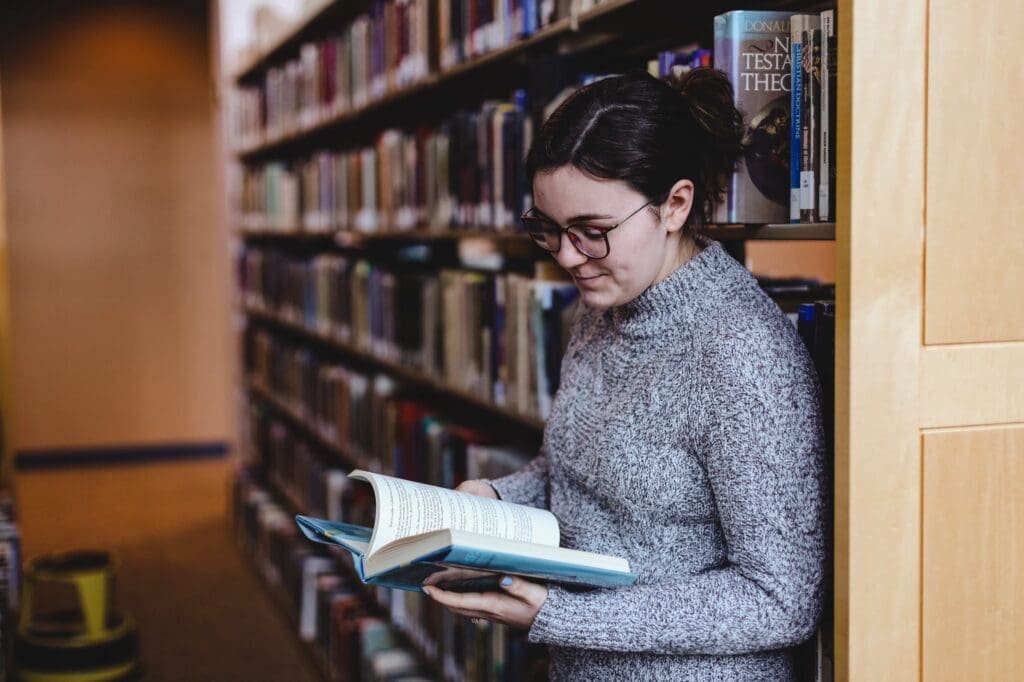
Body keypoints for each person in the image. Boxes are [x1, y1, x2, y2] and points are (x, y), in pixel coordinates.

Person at [422, 68, 826, 680]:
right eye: (549, 229)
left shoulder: (743, 354)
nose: (566, 256)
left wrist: (565, 619)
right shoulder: (603, 304)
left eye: (593, 231)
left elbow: (779, 601)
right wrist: (499, 499)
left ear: (675, 205)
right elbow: (582, 478)